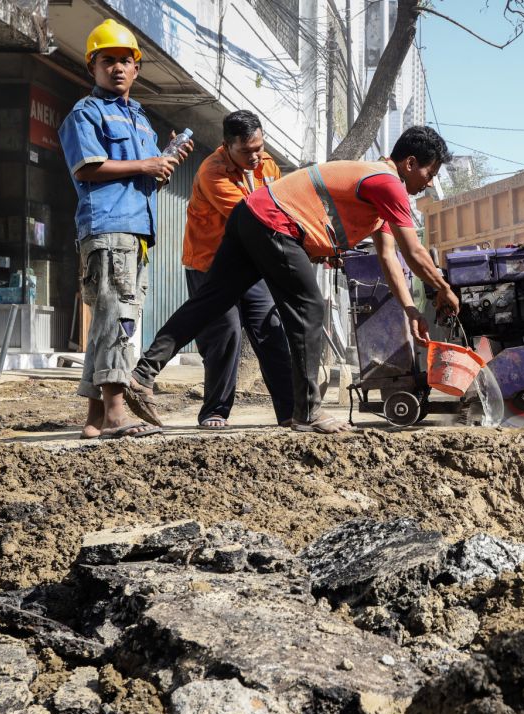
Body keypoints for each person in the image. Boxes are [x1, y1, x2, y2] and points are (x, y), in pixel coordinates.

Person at [131, 125, 460, 433]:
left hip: (250, 216)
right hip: (274, 224)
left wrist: (410, 310)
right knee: (310, 307)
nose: (429, 182)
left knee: (210, 301)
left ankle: (142, 374)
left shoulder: (378, 187)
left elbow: (390, 258)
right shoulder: (387, 182)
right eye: (430, 173)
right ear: (410, 162)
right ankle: (307, 411)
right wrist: (443, 289)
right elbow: (415, 252)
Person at [58, 19, 192, 439]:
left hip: (136, 230)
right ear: (92, 68)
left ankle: (96, 419)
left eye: (125, 61)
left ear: (137, 69)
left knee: (111, 320)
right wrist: (146, 165)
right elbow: (89, 167)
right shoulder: (87, 112)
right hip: (109, 227)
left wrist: (164, 162)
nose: (117, 68)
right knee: (118, 320)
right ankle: (116, 414)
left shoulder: (138, 118)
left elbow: (150, 175)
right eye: (107, 61)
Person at [182, 110, 294, 429]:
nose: (256, 155)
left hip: (251, 266)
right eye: (247, 151)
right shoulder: (212, 172)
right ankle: (214, 410)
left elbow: (284, 205)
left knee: (272, 331)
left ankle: (290, 412)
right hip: (210, 266)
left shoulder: (268, 165)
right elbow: (257, 217)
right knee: (226, 332)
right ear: (227, 146)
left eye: (259, 146)